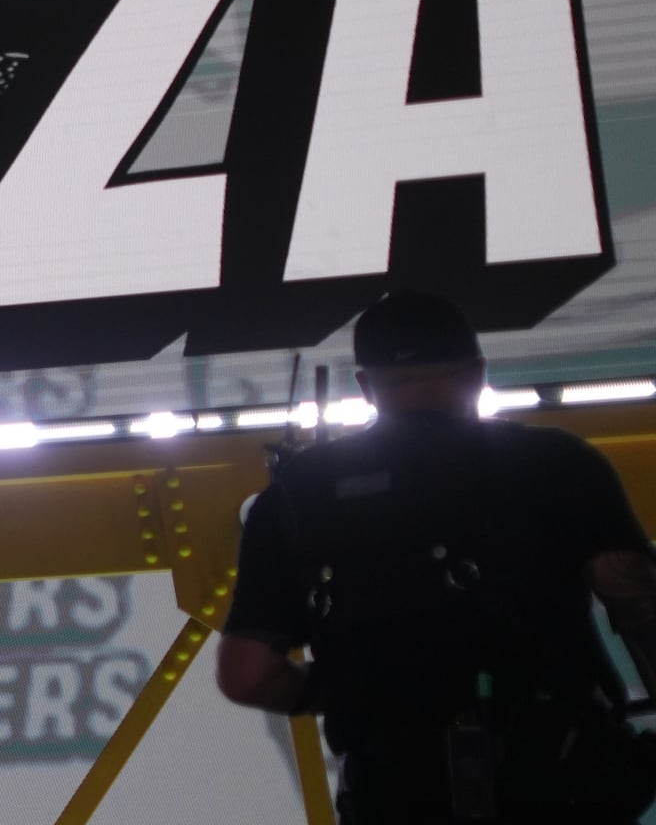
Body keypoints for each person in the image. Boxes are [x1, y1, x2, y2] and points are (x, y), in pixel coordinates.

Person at [218, 291, 656, 822]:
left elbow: (247, 674)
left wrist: (342, 692)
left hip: (393, 792)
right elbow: (631, 593)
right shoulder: (555, 461)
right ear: (477, 373)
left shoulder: (291, 497)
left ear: (366, 384)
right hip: (559, 782)